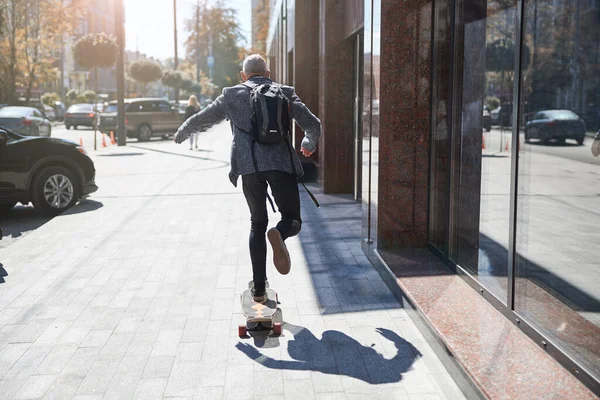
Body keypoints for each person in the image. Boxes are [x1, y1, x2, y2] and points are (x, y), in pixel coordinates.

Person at [173, 54, 322, 303]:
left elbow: (205, 118)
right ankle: (280, 233)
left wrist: (183, 131)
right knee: (292, 219)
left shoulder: (231, 95)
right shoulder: (284, 92)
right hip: (280, 165)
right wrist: (308, 142)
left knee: (257, 223)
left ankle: (259, 288)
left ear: (243, 76)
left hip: (249, 167)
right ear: (268, 72)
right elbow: (312, 123)